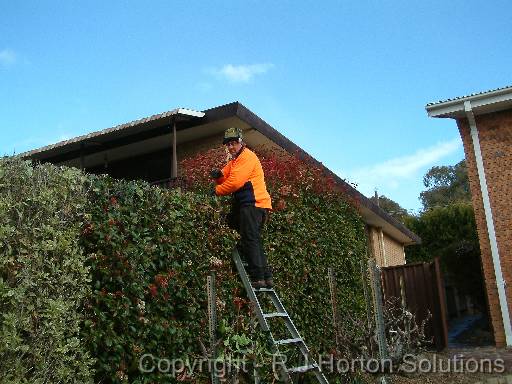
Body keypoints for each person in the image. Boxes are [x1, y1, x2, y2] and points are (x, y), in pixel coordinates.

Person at [210, 127, 273, 289]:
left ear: (241, 142)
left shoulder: (247, 157)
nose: (231, 147)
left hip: (253, 204)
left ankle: (258, 278)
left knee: (250, 239)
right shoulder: (235, 160)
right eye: (228, 144)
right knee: (253, 238)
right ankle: (266, 277)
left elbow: (234, 183)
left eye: (233, 143)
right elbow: (226, 175)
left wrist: (216, 191)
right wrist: (218, 175)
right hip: (251, 205)